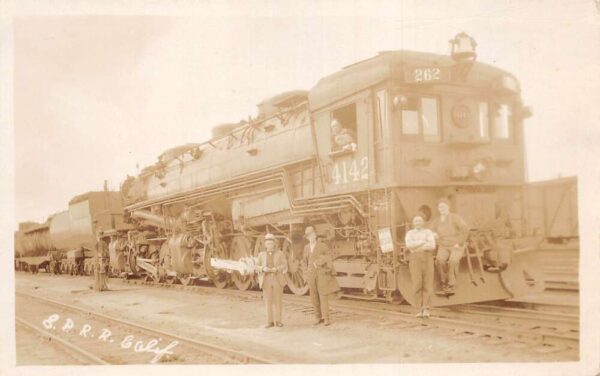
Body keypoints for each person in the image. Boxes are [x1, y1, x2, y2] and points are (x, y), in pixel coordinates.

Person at [428, 198, 470, 295]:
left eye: (444, 206)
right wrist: (433, 233)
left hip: (456, 245)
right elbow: (429, 230)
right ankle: (444, 283)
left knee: (453, 261)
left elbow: (465, 229)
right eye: (440, 207)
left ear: (448, 207)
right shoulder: (437, 221)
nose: (442, 208)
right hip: (444, 245)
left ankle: (451, 285)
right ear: (438, 209)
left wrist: (459, 242)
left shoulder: (455, 218)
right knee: (439, 260)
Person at [304, 226, 340, 326]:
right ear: (307, 237)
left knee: (323, 296)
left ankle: (326, 318)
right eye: (308, 235)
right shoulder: (306, 248)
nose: (311, 237)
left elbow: (328, 257)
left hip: (321, 274)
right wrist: (306, 274)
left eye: (312, 234)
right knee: (314, 297)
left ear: (315, 235)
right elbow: (304, 262)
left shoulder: (322, 245)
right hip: (311, 275)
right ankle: (317, 317)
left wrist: (319, 262)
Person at [405, 214, 436, 318]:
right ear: (413, 223)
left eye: (420, 221)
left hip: (427, 259)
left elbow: (432, 245)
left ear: (423, 222)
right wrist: (423, 242)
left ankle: (426, 309)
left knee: (427, 284)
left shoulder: (428, 232)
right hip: (415, 260)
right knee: (417, 284)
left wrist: (416, 245)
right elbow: (409, 245)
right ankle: (419, 309)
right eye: (416, 221)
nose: (418, 223)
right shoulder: (409, 233)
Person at [255, 233, 288, 328]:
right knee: (268, 301)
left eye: (271, 243)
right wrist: (262, 268)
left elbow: (284, 264)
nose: (269, 245)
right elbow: (256, 266)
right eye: (268, 243)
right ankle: (269, 322)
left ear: (274, 244)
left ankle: (278, 321)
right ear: (265, 245)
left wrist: (277, 269)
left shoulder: (280, 253)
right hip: (266, 279)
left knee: (278, 300)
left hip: (277, 278)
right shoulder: (261, 255)